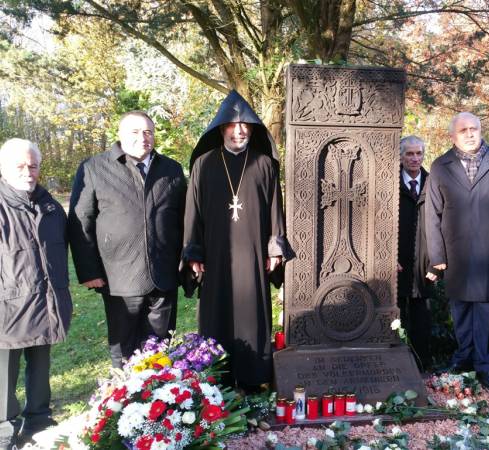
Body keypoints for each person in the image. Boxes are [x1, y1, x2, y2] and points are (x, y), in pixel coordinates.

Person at [183, 91, 292, 390]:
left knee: (252, 311)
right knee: (216, 311)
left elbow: (275, 209)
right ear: (222, 128)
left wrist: (274, 248)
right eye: (233, 125)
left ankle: (254, 376)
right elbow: (192, 212)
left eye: (245, 125)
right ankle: (216, 377)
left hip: (253, 253)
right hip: (215, 254)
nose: (240, 130)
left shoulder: (264, 164)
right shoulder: (203, 165)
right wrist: (193, 252)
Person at [68, 111, 186, 369]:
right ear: (120, 135)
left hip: (163, 274)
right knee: (124, 347)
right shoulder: (95, 168)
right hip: (118, 276)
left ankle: (161, 399)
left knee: (160, 346)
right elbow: (81, 221)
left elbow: (184, 220)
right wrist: (89, 271)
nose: (143, 138)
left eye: (148, 132)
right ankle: (124, 400)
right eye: (135, 132)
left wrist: (184, 262)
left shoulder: (172, 170)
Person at [425, 112, 489, 389]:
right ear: (453, 136)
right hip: (456, 254)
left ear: (481, 130)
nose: (469, 134)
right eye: (463, 130)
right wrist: (437, 256)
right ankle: (464, 358)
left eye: (473, 128)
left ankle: (485, 365)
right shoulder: (441, 165)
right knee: (461, 309)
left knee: (486, 312)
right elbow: (432, 214)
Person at [0, 139, 72, 448]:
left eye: (33, 165)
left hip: (47, 302)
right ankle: (4, 429)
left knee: (40, 365)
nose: (28, 172)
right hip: (7, 306)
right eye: (20, 166)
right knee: (4, 375)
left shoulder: (50, 205)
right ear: (4, 168)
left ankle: (38, 418)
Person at [397, 135, 434, 371]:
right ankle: (397, 364)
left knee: (422, 315)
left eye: (418, 153)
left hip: (425, 257)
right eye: (409, 154)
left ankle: (422, 365)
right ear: (401, 156)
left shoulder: (433, 183)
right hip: (396, 260)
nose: (414, 158)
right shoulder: (389, 182)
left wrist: (436, 260)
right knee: (396, 314)